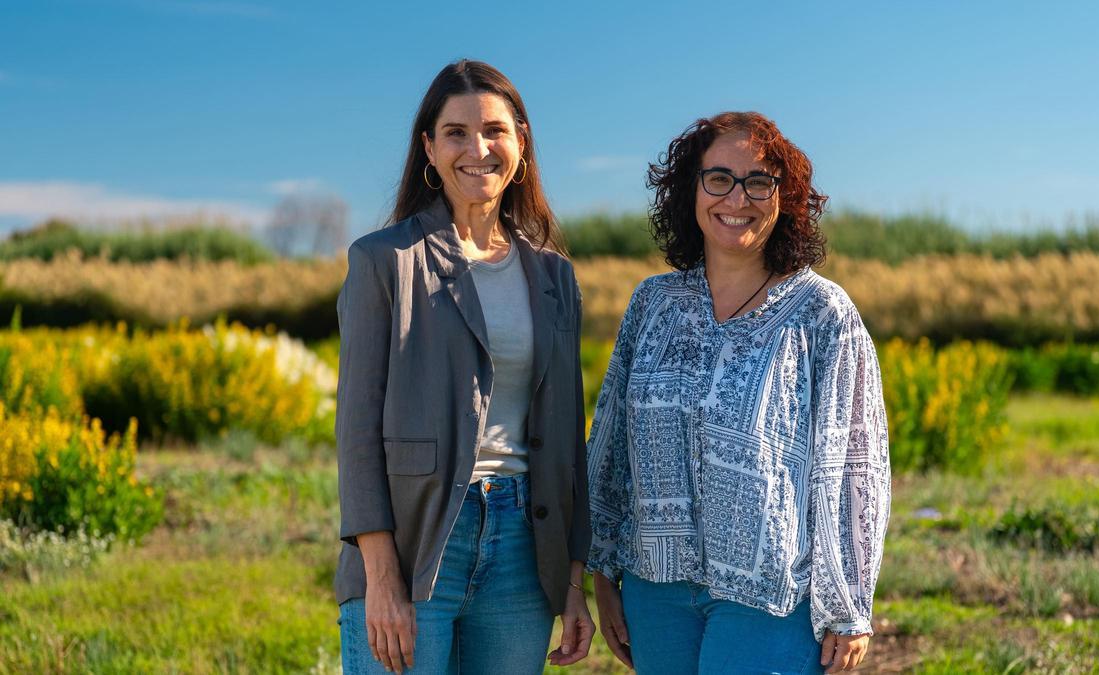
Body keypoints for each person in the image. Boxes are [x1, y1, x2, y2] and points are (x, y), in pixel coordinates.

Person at [587, 111, 891, 674]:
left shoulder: (823, 314)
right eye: (719, 178)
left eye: (759, 181)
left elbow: (856, 463)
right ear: (691, 190)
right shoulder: (652, 304)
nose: (738, 197)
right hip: (655, 588)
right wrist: (602, 568)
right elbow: (609, 441)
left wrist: (849, 604)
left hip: (768, 597)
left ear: (785, 198)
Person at [334, 59, 594, 674]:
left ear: (520, 143)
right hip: (416, 543)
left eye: (494, 131)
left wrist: (573, 581)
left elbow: (567, 440)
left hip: (522, 555)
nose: (477, 149)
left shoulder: (555, 277)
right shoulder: (384, 262)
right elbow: (357, 431)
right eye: (455, 132)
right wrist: (381, 576)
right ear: (428, 146)